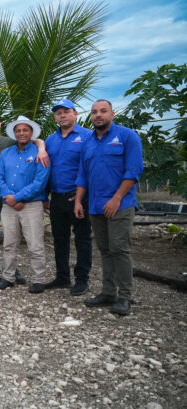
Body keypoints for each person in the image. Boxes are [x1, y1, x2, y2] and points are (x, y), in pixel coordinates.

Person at [75, 100, 143, 316]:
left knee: (119, 249)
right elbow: (83, 175)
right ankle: (108, 292)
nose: (98, 115)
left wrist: (117, 198)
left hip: (120, 204)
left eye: (103, 111)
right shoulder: (88, 142)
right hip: (96, 206)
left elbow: (133, 170)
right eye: (94, 112)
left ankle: (125, 296)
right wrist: (78, 201)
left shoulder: (127, 136)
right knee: (105, 250)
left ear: (112, 114)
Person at [0, 113, 48, 285]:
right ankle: (8, 277)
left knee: (35, 245)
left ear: (31, 133)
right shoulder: (6, 153)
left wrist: (17, 198)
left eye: (25, 130)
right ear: (14, 133)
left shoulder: (40, 154)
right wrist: (8, 197)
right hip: (8, 206)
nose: (22, 133)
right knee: (9, 244)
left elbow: (39, 182)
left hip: (31, 205)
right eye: (18, 130)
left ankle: (39, 279)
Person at [45, 99, 93, 296]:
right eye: (58, 113)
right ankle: (62, 277)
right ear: (55, 117)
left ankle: (82, 279)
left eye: (66, 111)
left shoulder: (87, 136)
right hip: (56, 198)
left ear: (75, 113)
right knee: (60, 238)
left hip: (78, 197)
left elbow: (90, 168)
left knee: (82, 239)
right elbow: (46, 169)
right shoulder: (50, 140)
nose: (62, 115)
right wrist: (44, 196)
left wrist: (82, 196)